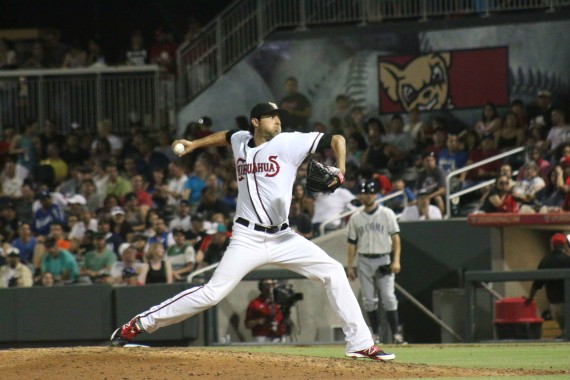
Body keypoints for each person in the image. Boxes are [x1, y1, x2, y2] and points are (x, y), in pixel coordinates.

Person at [110, 101, 395, 361]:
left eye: (279, 117)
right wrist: (195, 144)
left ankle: (359, 343)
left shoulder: (289, 142)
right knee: (211, 293)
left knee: (333, 271)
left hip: (284, 236)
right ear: (256, 122)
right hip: (247, 237)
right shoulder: (241, 140)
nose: (278, 122)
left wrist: (341, 169)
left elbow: (337, 138)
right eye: (272, 118)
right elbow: (225, 135)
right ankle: (136, 326)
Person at [347, 180, 406, 345]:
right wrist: (350, 266)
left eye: (370, 192)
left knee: (388, 297)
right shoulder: (356, 218)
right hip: (364, 259)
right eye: (365, 193)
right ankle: (375, 335)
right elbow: (351, 244)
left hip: (383, 259)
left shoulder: (387, 213)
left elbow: (396, 239)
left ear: (376, 194)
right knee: (369, 300)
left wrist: (396, 260)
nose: (367, 195)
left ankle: (397, 334)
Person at [525, 233, 570, 339]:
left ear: (552, 245)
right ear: (564, 245)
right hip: (568, 302)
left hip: (554, 304)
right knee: (568, 332)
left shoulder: (545, 261)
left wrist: (530, 298)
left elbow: (536, 284)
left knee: (565, 330)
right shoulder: (567, 260)